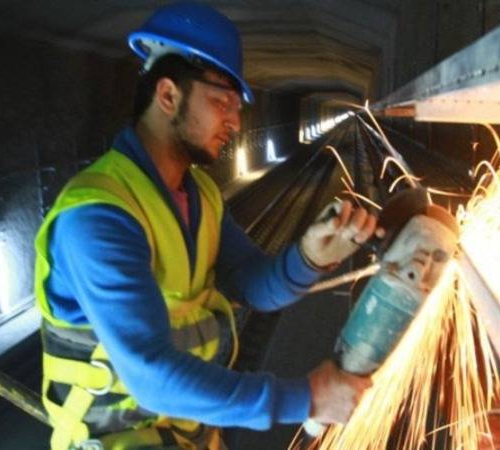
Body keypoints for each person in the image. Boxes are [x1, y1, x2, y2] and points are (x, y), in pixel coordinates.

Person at [33, 2, 379, 449]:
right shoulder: (99, 217)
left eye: (236, 106)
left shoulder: (199, 194)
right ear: (168, 96)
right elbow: (151, 377)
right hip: (121, 437)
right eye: (221, 102)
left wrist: (309, 257)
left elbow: (253, 285)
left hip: (188, 428)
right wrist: (307, 398)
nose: (234, 121)